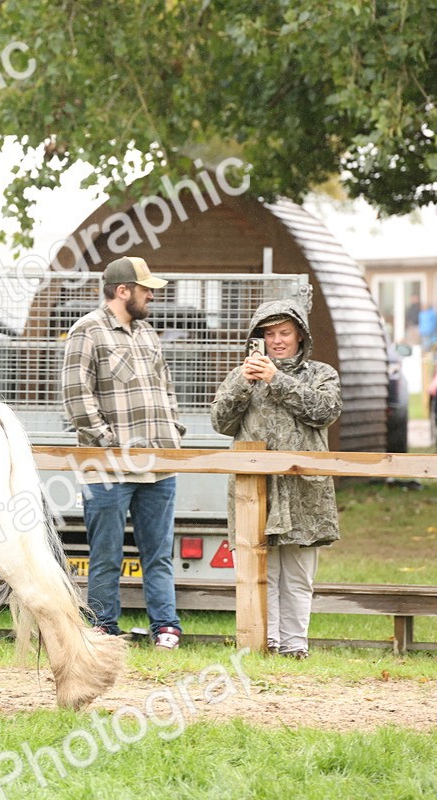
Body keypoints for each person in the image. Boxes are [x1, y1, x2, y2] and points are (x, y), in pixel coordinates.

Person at [61, 256, 185, 650]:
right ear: (122, 290)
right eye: (145, 288)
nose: (151, 295)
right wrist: (107, 442)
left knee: (159, 553)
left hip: (159, 465)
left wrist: (174, 431)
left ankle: (166, 627)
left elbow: (166, 388)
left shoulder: (149, 333)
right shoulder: (87, 330)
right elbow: (75, 394)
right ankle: (103, 629)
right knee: (105, 555)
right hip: (108, 468)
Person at [211, 298, 342, 659]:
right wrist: (243, 382)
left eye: (285, 332)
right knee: (260, 570)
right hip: (255, 491)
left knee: (299, 575)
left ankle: (295, 647)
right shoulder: (243, 375)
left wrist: (277, 379)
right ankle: (265, 641)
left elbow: (325, 411)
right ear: (259, 338)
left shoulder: (321, 373)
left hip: (304, 490)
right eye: (270, 334)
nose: (278, 340)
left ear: (300, 334)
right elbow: (220, 422)